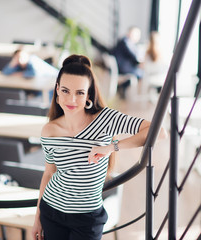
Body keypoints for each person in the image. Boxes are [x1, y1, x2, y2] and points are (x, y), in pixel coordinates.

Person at [31, 54, 166, 240]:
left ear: (89, 94)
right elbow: (48, 173)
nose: (71, 99)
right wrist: (37, 217)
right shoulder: (49, 130)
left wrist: (112, 147)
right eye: (65, 91)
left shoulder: (105, 119)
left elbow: (159, 132)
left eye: (79, 92)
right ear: (57, 90)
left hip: (87, 218)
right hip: (52, 211)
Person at [112, 26, 144, 98]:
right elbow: (133, 57)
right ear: (130, 33)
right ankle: (123, 87)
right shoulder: (125, 42)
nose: (137, 37)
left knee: (140, 72)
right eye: (136, 35)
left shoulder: (127, 42)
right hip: (122, 67)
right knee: (140, 73)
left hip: (123, 66)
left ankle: (123, 87)